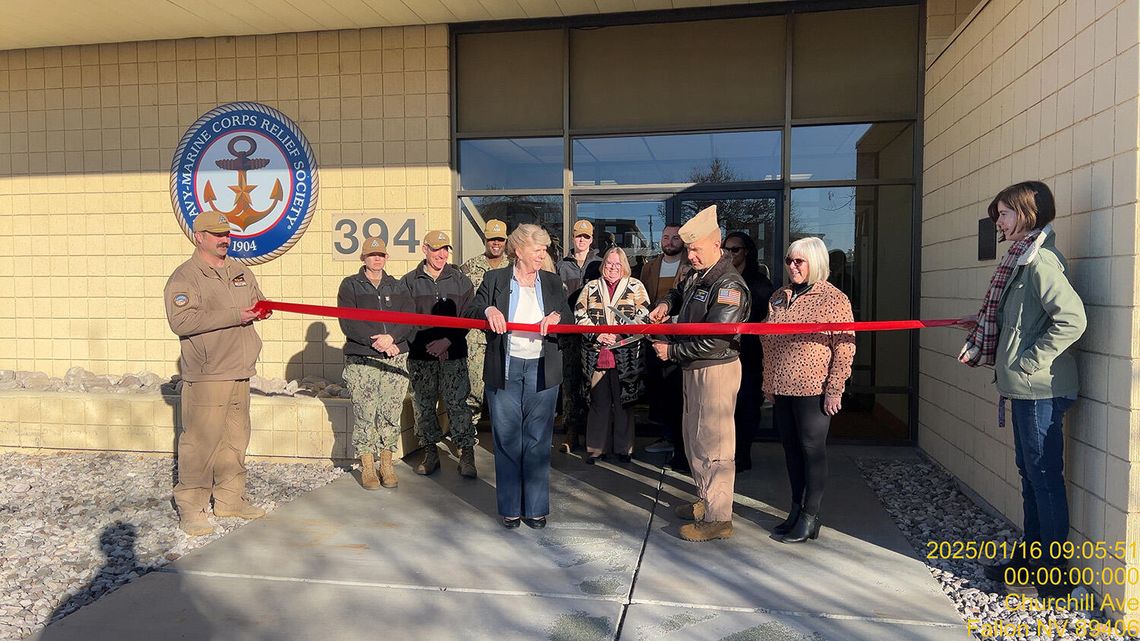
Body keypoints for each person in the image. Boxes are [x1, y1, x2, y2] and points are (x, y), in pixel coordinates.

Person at [956, 181, 1086, 598]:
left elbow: (1072, 320)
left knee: (1044, 478)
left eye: (1005, 213)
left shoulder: (1039, 261)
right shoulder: (1021, 258)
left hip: (1040, 390)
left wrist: (1028, 363)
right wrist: (980, 324)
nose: (999, 221)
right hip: (1029, 390)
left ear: (1027, 214)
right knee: (1032, 478)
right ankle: (1031, 561)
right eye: (997, 214)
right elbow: (1018, 318)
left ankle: (1053, 576)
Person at [163, 212, 271, 536]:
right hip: (208, 373)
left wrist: (262, 308)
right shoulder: (185, 278)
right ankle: (191, 507)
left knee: (236, 440)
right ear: (199, 236)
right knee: (200, 442)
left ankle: (230, 499)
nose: (224, 239)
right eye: (216, 234)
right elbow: (181, 322)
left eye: (226, 233)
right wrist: (237, 315)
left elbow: (255, 301)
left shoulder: (240, 271)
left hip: (239, 369)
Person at [648, 205, 750, 542]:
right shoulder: (700, 274)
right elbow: (681, 292)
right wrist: (666, 304)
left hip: (714, 369)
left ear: (717, 243)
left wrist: (672, 351)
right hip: (695, 368)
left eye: (696, 248)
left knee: (715, 443)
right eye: (688, 248)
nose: (690, 255)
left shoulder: (729, 284)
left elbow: (718, 339)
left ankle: (718, 518)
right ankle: (706, 499)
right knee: (695, 437)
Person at [464, 224, 571, 529]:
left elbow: (569, 314)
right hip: (506, 369)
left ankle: (536, 508)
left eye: (545, 250)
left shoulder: (551, 281)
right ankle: (510, 507)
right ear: (520, 250)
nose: (543, 255)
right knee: (507, 440)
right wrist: (488, 311)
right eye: (538, 250)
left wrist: (558, 317)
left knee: (538, 440)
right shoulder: (495, 279)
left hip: (541, 368)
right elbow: (471, 309)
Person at [760, 237, 855, 544]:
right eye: (789, 260)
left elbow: (844, 346)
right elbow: (768, 343)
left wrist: (835, 388)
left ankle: (811, 516)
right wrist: (768, 382)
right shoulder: (778, 296)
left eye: (798, 261)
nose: (792, 266)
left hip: (813, 388)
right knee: (790, 450)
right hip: (783, 387)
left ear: (815, 262)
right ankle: (796, 509)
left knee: (811, 450)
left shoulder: (834, 299)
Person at [338, 236, 414, 491]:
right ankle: (368, 465)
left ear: (386, 257)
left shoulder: (398, 286)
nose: (376, 258)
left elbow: (409, 318)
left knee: (390, 412)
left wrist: (392, 337)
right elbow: (349, 321)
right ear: (363, 258)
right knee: (365, 412)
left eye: (380, 254)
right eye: (372, 255)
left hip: (395, 356)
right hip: (364, 359)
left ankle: (386, 462)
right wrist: (377, 342)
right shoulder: (351, 286)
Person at [401, 230, 477, 478]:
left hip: (453, 354)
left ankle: (466, 452)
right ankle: (430, 451)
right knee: (424, 405)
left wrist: (446, 342)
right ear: (425, 249)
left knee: (457, 403)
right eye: (436, 249)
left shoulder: (460, 280)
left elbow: (467, 317)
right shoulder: (409, 282)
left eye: (445, 249)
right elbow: (405, 321)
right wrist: (429, 347)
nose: (442, 254)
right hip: (421, 357)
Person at [573, 247, 651, 464]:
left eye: (617, 264)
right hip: (596, 353)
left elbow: (644, 314)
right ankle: (597, 449)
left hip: (626, 354)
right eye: (609, 264)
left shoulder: (636, 286)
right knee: (598, 402)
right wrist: (599, 335)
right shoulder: (590, 287)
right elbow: (579, 315)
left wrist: (619, 334)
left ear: (624, 266)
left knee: (624, 403)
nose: (613, 268)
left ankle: (624, 449)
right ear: (603, 265)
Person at [639, 224, 690, 465]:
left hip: (680, 341)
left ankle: (680, 444)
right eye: (666, 236)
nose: (669, 241)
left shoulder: (691, 266)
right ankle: (665, 436)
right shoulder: (649, 267)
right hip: (653, 338)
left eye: (675, 237)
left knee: (677, 394)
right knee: (658, 391)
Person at [724, 231, 774, 472]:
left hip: (751, 356)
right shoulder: (719, 279)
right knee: (725, 409)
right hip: (722, 355)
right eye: (726, 248)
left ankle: (742, 455)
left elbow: (767, 320)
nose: (729, 253)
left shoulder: (760, 283)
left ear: (746, 252)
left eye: (735, 249)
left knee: (747, 407)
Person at [556, 219, 601, 452]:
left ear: (592, 239)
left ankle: (593, 432)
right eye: (578, 236)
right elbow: (555, 296)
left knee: (592, 382)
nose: (582, 240)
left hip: (594, 332)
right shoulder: (562, 265)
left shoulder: (600, 264)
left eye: (586, 236)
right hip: (570, 332)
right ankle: (571, 432)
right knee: (570, 383)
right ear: (573, 238)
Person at [460, 219, 510, 427]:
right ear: (485, 240)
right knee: (474, 389)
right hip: (476, 338)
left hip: (505, 337)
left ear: (506, 241)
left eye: (499, 239)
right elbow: (463, 303)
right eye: (491, 239)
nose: (495, 243)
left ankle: (505, 437)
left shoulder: (515, 267)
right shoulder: (469, 267)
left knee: (505, 390)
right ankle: (468, 441)